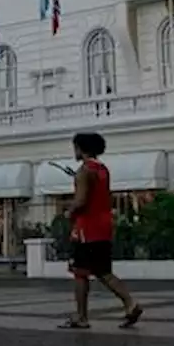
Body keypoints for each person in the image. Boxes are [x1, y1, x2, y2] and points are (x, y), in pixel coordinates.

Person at [58, 132, 143, 330]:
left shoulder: (84, 171)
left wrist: (69, 212)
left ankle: (82, 317)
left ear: (81, 148)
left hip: (86, 228)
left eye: (75, 147)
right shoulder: (102, 169)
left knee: (80, 272)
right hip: (103, 226)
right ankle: (130, 303)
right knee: (104, 271)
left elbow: (81, 201)